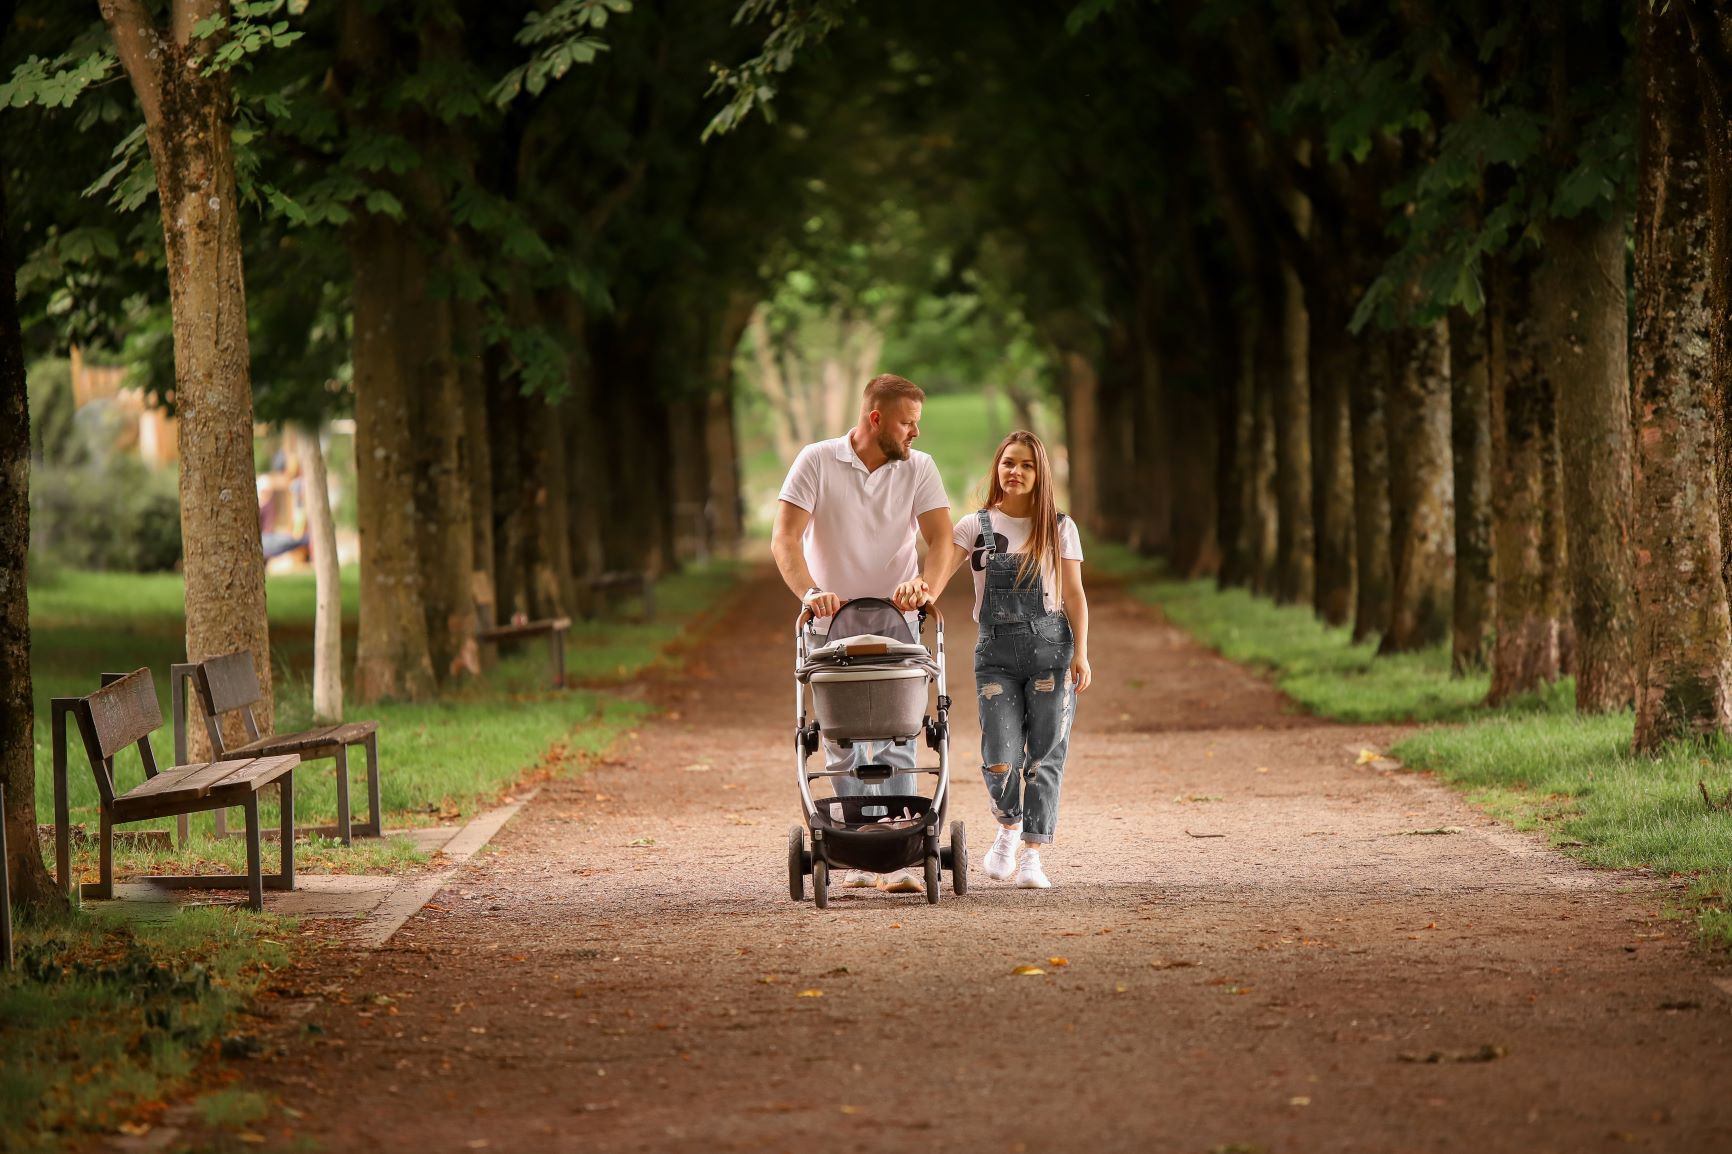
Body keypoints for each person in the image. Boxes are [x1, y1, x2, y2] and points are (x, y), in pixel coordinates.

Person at [771, 373, 953, 894]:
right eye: (908, 423)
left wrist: (927, 585)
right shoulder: (817, 461)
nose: (915, 434)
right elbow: (785, 539)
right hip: (831, 624)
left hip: (898, 623)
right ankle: (851, 849)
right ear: (876, 419)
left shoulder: (919, 468)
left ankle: (892, 857)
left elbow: (940, 539)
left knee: (898, 734)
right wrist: (810, 594)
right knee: (843, 739)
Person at [924, 430, 1091, 889]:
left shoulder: (1059, 527)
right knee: (998, 756)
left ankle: (1033, 854)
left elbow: (1074, 594)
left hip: (1051, 652)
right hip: (994, 655)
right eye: (1008, 463)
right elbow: (937, 575)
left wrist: (1082, 652)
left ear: (1040, 476)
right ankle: (1008, 828)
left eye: (1026, 465)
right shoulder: (973, 527)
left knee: (1045, 755)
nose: (1015, 472)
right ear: (997, 469)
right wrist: (919, 593)